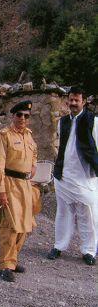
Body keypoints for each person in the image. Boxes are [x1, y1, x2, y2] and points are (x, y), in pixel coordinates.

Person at [47, 87, 98, 266]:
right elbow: (60, 146)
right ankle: (59, 246)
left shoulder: (93, 121)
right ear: (67, 101)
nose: (73, 103)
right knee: (63, 212)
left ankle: (89, 250)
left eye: (77, 100)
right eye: (71, 100)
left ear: (83, 102)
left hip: (85, 177)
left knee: (88, 215)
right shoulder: (62, 122)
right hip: (64, 175)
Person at [0, 100, 38, 282]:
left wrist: (33, 165)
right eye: (19, 115)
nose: (23, 119)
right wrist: (1, 191)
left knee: (24, 226)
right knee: (10, 226)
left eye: (26, 116)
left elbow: (34, 152)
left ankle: (13, 259)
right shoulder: (3, 136)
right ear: (13, 116)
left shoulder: (29, 136)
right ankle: (5, 264)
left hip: (25, 186)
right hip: (9, 185)